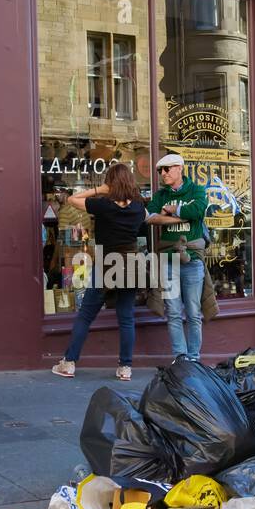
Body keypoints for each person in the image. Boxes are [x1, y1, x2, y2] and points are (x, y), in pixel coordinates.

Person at [52, 161, 147, 381]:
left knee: (86, 314)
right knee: (126, 317)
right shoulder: (138, 207)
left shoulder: (104, 205)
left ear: (110, 183)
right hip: (131, 261)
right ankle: (125, 368)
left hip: (107, 262)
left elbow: (72, 199)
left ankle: (69, 363)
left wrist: (99, 190)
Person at [146, 153, 208, 362]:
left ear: (179, 168)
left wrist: (173, 210)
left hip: (192, 259)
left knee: (193, 312)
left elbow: (198, 209)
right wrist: (177, 219)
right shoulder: (161, 195)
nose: (163, 174)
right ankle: (180, 358)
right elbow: (150, 217)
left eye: (167, 169)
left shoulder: (196, 190)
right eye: (160, 171)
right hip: (168, 260)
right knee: (172, 312)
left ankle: (193, 358)